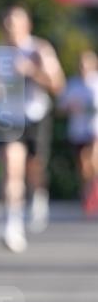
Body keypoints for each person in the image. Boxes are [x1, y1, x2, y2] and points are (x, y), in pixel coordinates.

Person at [0, 4, 65, 252]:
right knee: (11, 168)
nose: (10, 28)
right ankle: (13, 226)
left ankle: (39, 196)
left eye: (15, 22)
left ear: (26, 25)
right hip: (6, 118)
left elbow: (57, 86)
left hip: (34, 116)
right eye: (7, 23)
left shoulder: (39, 49)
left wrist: (33, 71)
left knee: (35, 167)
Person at [57, 50, 98, 216]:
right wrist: (71, 107)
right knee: (83, 166)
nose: (83, 67)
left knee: (93, 159)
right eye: (81, 64)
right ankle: (87, 193)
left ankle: (93, 192)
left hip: (95, 129)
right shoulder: (72, 84)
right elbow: (60, 108)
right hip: (77, 130)